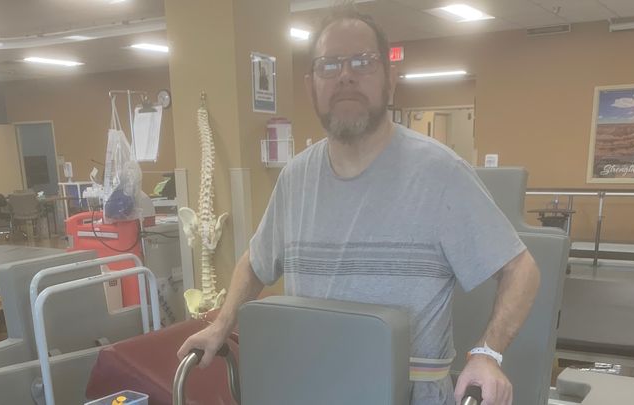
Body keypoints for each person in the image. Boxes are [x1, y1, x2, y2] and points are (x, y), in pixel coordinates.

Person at [178, 7, 540, 405]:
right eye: (329, 65)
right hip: (310, 388)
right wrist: (221, 325)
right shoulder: (295, 179)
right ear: (311, 86)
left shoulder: (441, 174)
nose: (345, 75)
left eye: (363, 62)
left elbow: (521, 270)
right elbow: (255, 262)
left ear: (390, 79)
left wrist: (487, 354)